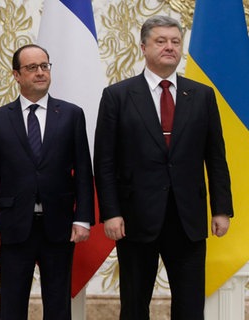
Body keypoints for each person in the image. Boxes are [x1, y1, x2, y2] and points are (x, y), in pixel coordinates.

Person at [94, 15, 233, 320]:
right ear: (143, 47)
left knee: (190, 306)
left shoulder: (202, 95)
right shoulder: (117, 96)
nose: (169, 47)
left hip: (188, 220)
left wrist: (221, 208)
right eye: (161, 41)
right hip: (135, 219)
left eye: (175, 42)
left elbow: (216, 156)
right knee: (134, 305)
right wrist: (111, 212)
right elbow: (104, 162)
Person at [0, 44, 95, 319]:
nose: (40, 72)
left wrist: (83, 218)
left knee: (58, 306)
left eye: (44, 66)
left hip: (60, 226)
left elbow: (83, 171)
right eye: (32, 67)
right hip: (14, 227)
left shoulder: (71, 115)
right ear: (16, 75)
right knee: (12, 306)